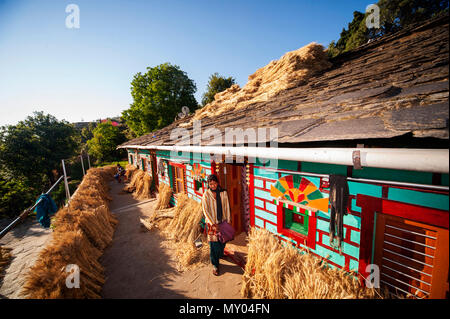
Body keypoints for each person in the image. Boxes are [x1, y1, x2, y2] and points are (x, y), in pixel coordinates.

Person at [201, 174, 231, 276]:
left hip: (222, 221)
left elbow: (227, 206)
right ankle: (215, 265)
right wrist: (212, 224)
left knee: (223, 240)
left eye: (214, 183)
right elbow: (205, 210)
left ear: (217, 182)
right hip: (212, 224)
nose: (213, 186)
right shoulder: (206, 195)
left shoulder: (223, 193)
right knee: (213, 245)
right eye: (210, 184)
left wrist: (228, 220)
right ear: (208, 184)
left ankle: (221, 254)